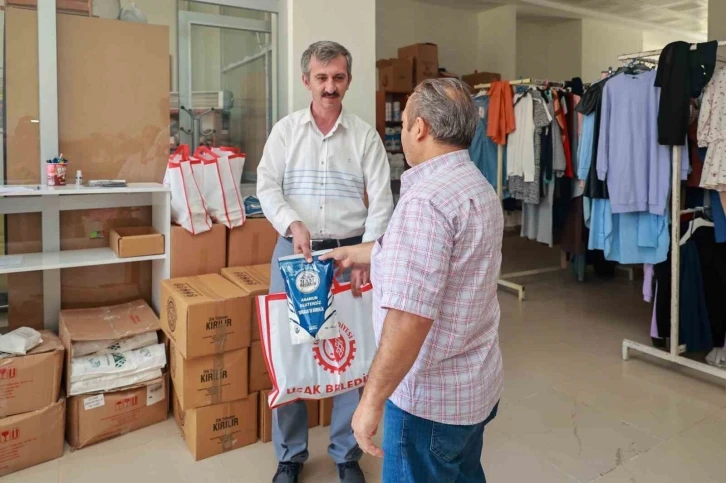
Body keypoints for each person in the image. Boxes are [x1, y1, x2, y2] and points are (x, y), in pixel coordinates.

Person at [321, 78, 504, 482]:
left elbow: (409, 318)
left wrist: (371, 401)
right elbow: (447, 262)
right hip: (473, 387)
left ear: (419, 128)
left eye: (404, 123)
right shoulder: (477, 187)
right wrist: (363, 253)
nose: (404, 131)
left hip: (428, 403)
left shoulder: (425, 201)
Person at [257, 40, 393, 483]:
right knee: (292, 354)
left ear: (348, 81)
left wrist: (368, 253)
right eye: (322, 78)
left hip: (349, 254)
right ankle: (291, 456)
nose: (330, 87)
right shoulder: (285, 131)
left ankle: (346, 453)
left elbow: (381, 200)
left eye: (338, 78)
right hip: (294, 254)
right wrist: (292, 222)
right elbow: (267, 187)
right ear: (306, 81)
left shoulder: (365, 135)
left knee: (352, 354)